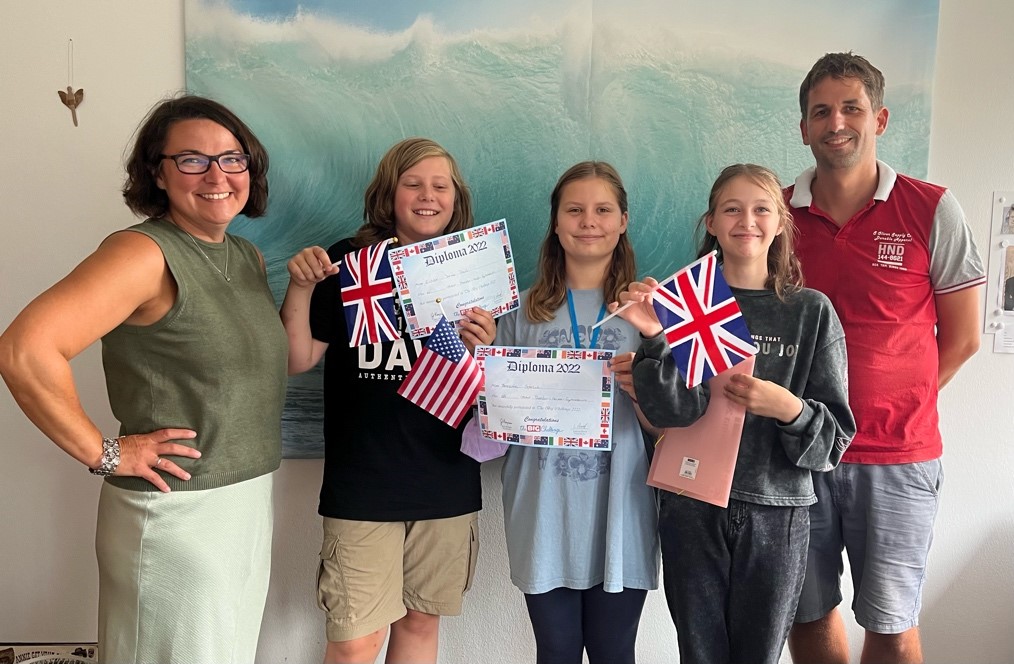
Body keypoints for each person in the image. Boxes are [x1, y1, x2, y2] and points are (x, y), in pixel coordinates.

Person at [0, 95, 287, 663]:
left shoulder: (245, 257)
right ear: (157, 172)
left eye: (232, 159)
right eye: (192, 160)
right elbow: (23, 349)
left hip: (245, 501)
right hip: (176, 515)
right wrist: (103, 452)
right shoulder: (143, 254)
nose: (217, 176)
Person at [786, 52, 986, 664]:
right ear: (804, 127)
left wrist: (898, 399)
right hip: (796, 454)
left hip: (898, 457)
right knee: (806, 616)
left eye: (851, 108)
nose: (836, 122)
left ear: (880, 118)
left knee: (893, 628)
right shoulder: (776, 215)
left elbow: (964, 337)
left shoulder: (932, 207)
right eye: (821, 111)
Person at [616, 163, 855, 664]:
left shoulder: (810, 312)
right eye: (731, 209)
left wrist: (787, 408)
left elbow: (832, 443)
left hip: (777, 510)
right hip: (691, 505)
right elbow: (671, 413)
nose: (747, 221)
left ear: (781, 222)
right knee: (699, 654)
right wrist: (654, 338)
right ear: (711, 222)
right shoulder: (686, 302)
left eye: (761, 209)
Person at [281, 137, 496, 664]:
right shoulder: (348, 261)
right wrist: (301, 287)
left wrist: (485, 348)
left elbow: (492, 389)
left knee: (420, 623)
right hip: (363, 480)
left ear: (456, 197)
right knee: (355, 642)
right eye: (413, 183)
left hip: (446, 477)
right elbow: (296, 359)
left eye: (440, 186)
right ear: (388, 193)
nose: (428, 196)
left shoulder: (473, 267)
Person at [493, 161, 659, 664]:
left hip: (622, 510)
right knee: (556, 651)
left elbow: (668, 428)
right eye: (575, 210)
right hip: (543, 509)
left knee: (614, 652)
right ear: (556, 221)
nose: (589, 221)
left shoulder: (649, 313)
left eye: (603, 210)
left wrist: (641, 392)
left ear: (623, 221)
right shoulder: (517, 313)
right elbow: (491, 423)